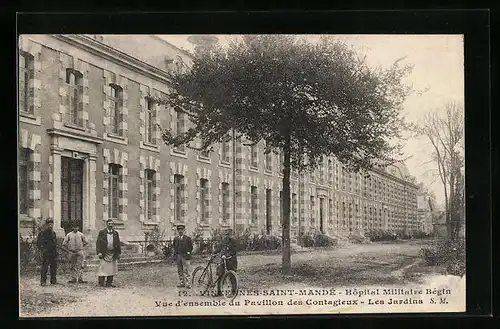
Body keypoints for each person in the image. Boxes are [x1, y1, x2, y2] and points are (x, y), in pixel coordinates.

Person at [96, 219, 121, 287]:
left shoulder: (115, 233)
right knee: (102, 268)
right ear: (107, 224)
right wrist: (99, 252)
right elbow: (98, 243)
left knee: (112, 268)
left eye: (112, 224)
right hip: (104, 253)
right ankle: (101, 283)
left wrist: (118, 253)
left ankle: (109, 283)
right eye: (109, 224)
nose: (110, 225)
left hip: (113, 253)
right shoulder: (102, 232)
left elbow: (118, 243)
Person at [215, 228, 238, 296]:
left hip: (231, 260)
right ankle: (219, 292)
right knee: (220, 274)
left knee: (232, 276)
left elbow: (234, 251)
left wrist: (227, 255)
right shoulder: (224, 240)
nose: (227, 236)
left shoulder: (234, 241)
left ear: (231, 234)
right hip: (223, 259)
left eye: (228, 234)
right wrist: (214, 252)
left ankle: (233, 292)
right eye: (226, 235)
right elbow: (219, 248)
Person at [36, 218, 58, 286]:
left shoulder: (53, 233)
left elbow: (55, 243)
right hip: (46, 253)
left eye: (51, 224)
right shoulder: (42, 233)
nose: (50, 226)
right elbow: (39, 243)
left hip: (53, 252)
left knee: (53, 267)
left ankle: (53, 280)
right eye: (49, 224)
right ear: (46, 225)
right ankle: (43, 281)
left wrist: (56, 250)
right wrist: (43, 250)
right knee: (45, 267)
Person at [172, 224, 193, 288]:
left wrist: (188, 253)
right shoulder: (176, 239)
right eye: (179, 230)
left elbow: (191, 247)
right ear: (177, 231)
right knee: (180, 270)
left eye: (182, 230)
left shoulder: (187, 238)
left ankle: (188, 283)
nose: (180, 231)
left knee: (186, 270)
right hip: (178, 256)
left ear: (184, 230)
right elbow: (174, 247)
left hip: (185, 256)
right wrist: (175, 255)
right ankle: (182, 282)